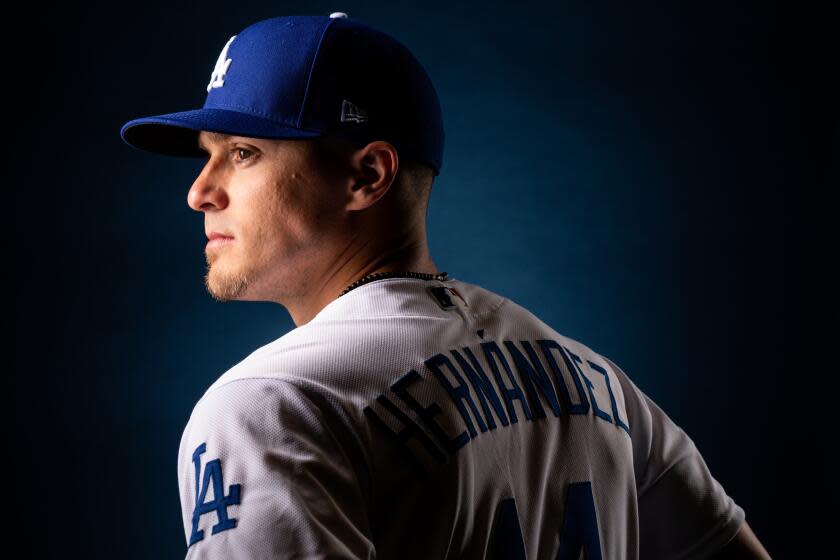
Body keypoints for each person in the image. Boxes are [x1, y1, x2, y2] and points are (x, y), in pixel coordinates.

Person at [119, 12, 771, 560]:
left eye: (242, 153)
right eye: (207, 155)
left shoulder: (268, 408)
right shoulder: (595, 382)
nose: (200, 191)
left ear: (367, 176)